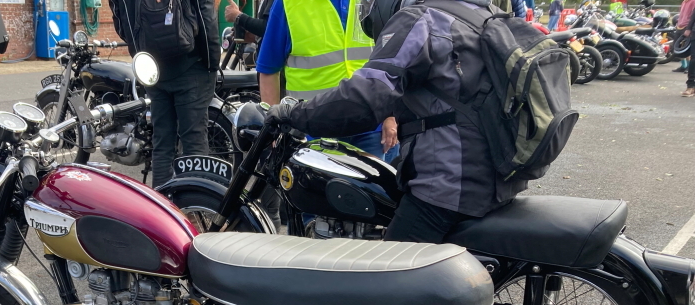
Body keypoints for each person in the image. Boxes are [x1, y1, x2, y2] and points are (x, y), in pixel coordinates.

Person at [266, 0, 530, 243]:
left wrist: (294, 114)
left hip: (448, 185)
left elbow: (364, 99)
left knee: (388, 271)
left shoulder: (421, 19)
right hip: (500, 178)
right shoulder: (484, 14)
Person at [256, 0, 399, 162]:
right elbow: (269, 70)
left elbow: (392, 64)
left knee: (373, 179)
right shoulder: (288, 4)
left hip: (370, 128)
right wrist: (273, 130)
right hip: (311, 129)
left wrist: (391, 115)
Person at [110, 0, 220, 187]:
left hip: (154, 68)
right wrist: (212, 62)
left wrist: (145, 47)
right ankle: (195, 200)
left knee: (162, 142)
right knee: (193, 141)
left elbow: (122, 23)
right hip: (191, 65)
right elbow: (205, 15)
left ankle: (162, 199)